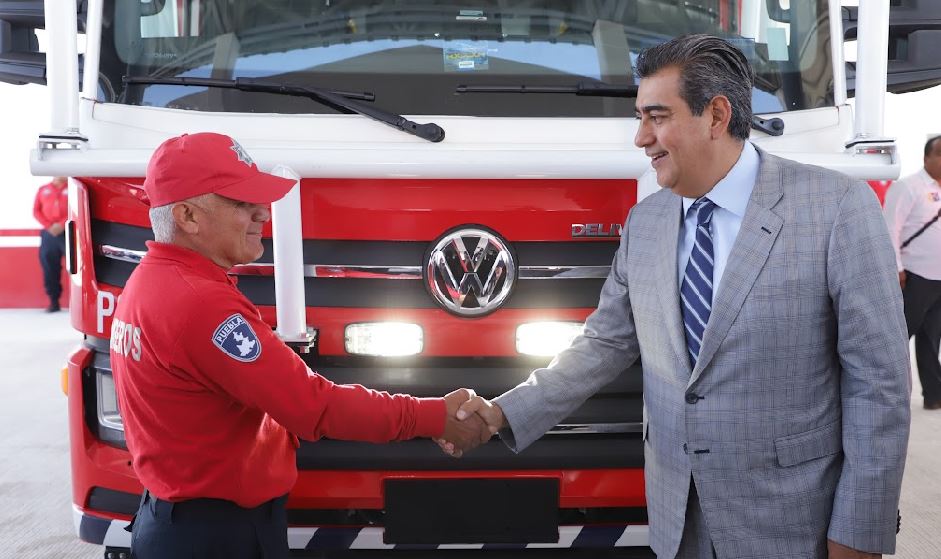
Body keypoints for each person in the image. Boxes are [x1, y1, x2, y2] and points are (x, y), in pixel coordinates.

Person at [450, 35, 911, 559]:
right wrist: (501, 413)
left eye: (657, 117)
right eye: (639, 118)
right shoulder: (647, 222)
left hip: (792, 525)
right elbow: (603, 344)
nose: (641, 138)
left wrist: (858, 532)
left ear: (716, 116)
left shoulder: (838, 209)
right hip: (678, 521)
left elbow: (880, 388)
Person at [110, 132, 485, 559]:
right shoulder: (201, 303)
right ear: (187, 216)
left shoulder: (149, 281)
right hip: (217, 535)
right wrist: (434, 416)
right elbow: (315, 406)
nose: (261, 214)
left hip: (180, 522)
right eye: (241, 203)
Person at [884, 135, 941, 411]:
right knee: (897, 336)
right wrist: (895, 268)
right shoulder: (908, 186)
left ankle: (934, 395)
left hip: (939, 277)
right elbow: (890, 228)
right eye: (940, 154)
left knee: (932, 338)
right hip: (914, 276)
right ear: (926, 158)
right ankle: (880, 390)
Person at [32, 176, 68, 312]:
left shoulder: (72, 188)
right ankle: (54, 301)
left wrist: (62, 224)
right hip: (49, 234)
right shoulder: (43, 189)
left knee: (76, 267)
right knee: (49, 266)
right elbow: (36, 211)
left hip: (68, 232)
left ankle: (79, 303)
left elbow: (76, 207)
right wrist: (49, 226)